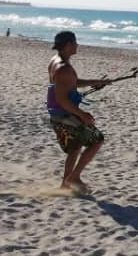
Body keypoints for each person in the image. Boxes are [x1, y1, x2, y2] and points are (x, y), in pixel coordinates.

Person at [46, 31, 109, 194]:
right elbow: (61, 99)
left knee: (75, 148)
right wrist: (82, 114)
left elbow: (71, 84)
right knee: (97, 140)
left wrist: (95, 82)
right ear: (68, 45)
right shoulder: (63, 68)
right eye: (75, 42)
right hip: (65, 114)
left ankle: (65, 186)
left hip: (58, 113)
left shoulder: (55, 61)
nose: (77, 45)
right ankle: (73, 177)